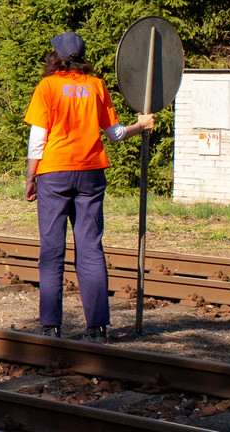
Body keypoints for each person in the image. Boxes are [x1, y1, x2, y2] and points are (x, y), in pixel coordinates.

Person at [24, 31, 155, 341]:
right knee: (91, 248)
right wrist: (141, 125)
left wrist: (31, 178)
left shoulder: (47, 87)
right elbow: (115, 133)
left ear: (55, 55)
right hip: (90, 174)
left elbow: (37, 141)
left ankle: (51, 327)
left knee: (52, 250)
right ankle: (97, 328)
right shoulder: (95, 85)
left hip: (54, 174)